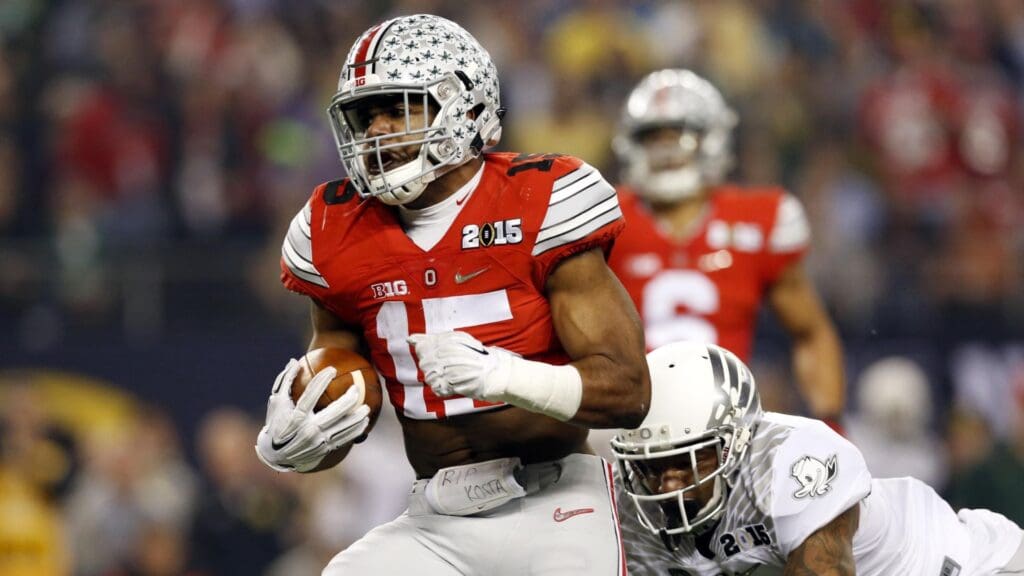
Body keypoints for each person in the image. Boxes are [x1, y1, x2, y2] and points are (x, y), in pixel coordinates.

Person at [253, 14, 650, 576]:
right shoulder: (332, 227)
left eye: (398, 108)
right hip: (434, 512)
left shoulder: (542, 197)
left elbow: (627, 392)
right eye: (365, 116)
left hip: (556, 498)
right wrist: (308, 438)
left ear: (462, 107)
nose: (375, 131)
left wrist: (502, 377)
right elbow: (348, 385)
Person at [611, 340, 1024, 575]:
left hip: (970, 565)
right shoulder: (633, 509)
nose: (667, 483)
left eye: (686, 461)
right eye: (650, 466)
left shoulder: (789, 458)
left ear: (734, 444)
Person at [607, 69, 845, 427]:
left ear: (713, 139)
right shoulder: (605, 219)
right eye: (655, 138)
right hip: (627, 420)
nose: (669, 151)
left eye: (681, 136)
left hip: (727, 419)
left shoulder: (757, 218)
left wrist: (830, 423)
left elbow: (811, 333)